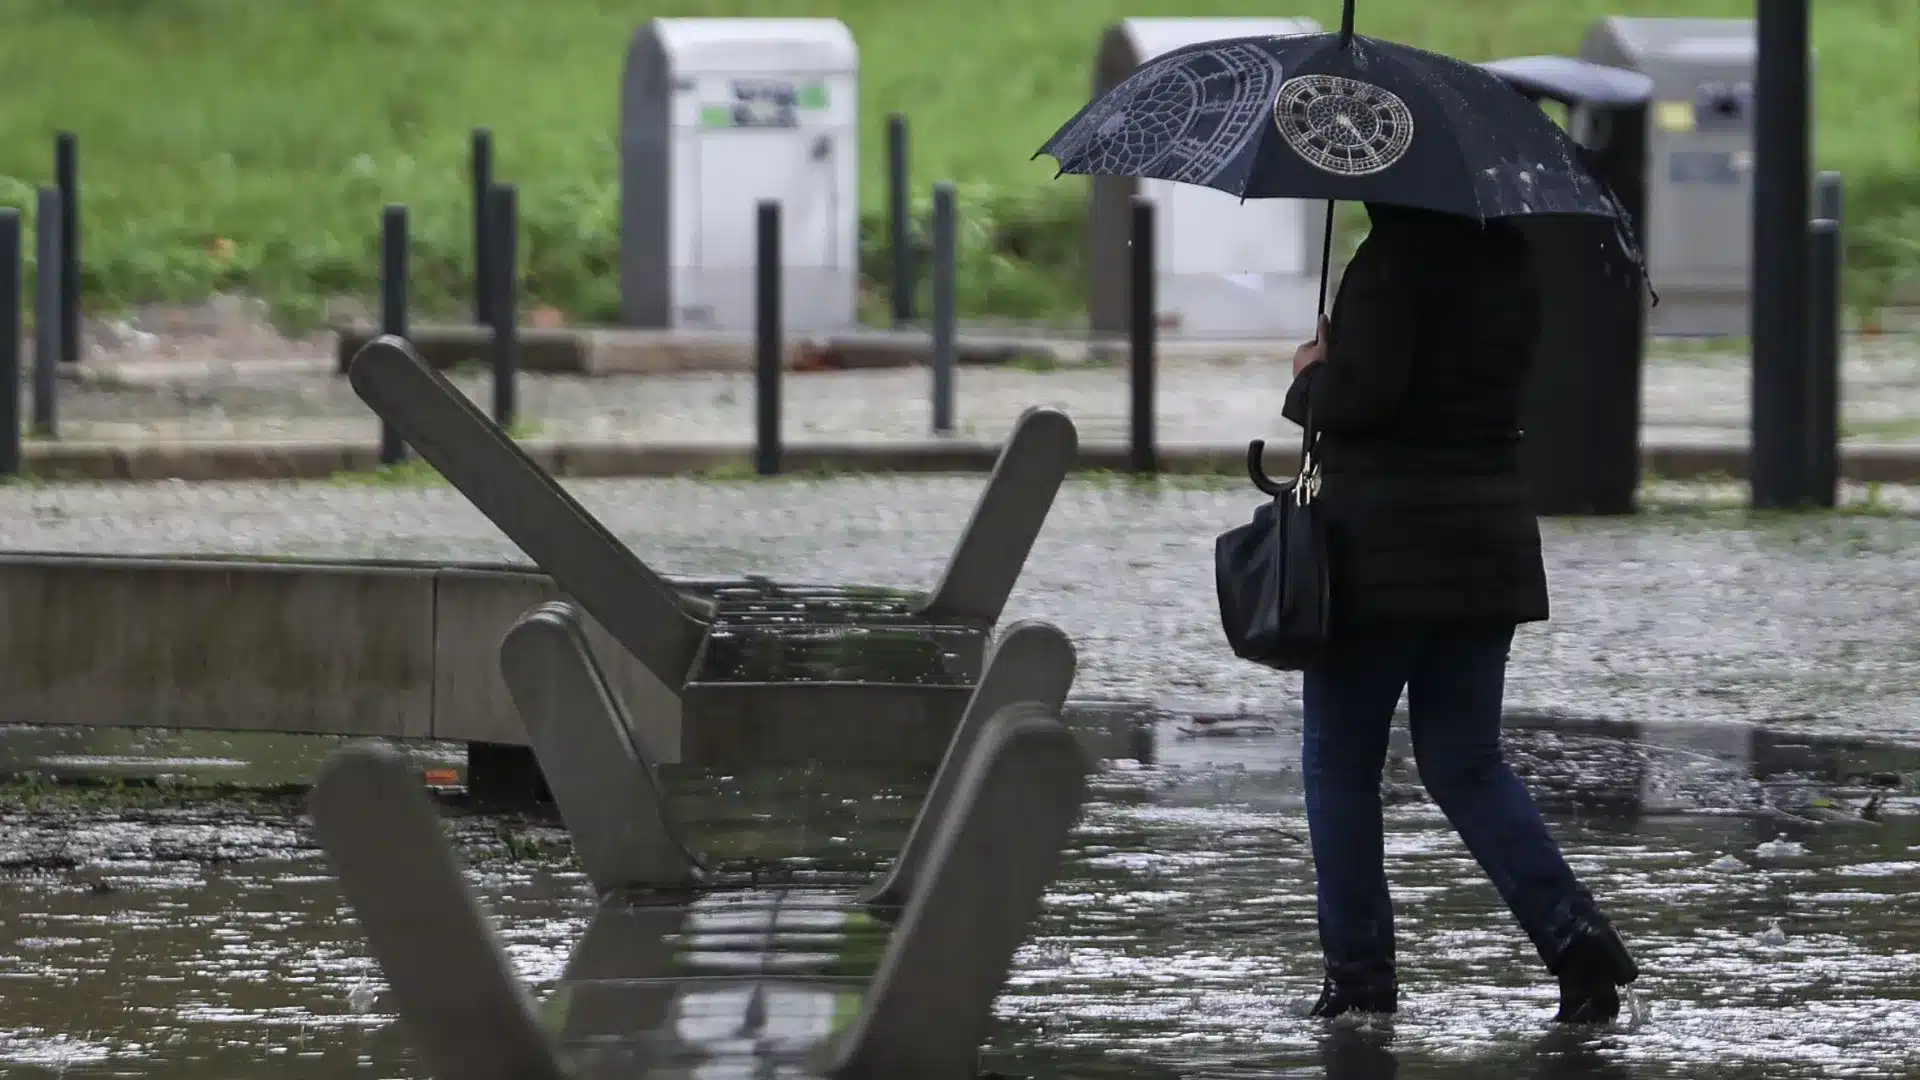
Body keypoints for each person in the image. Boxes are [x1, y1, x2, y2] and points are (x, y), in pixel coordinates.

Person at [1281, 202, 1638, 1024]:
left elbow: (1364, 399)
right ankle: (1574, 937)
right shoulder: (1508, 256)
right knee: (1466, 762)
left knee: (1340, 762)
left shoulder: (1392, 260)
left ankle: (1359, 980)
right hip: (1486, 545)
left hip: (1383, 556)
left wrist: (1311, 374)